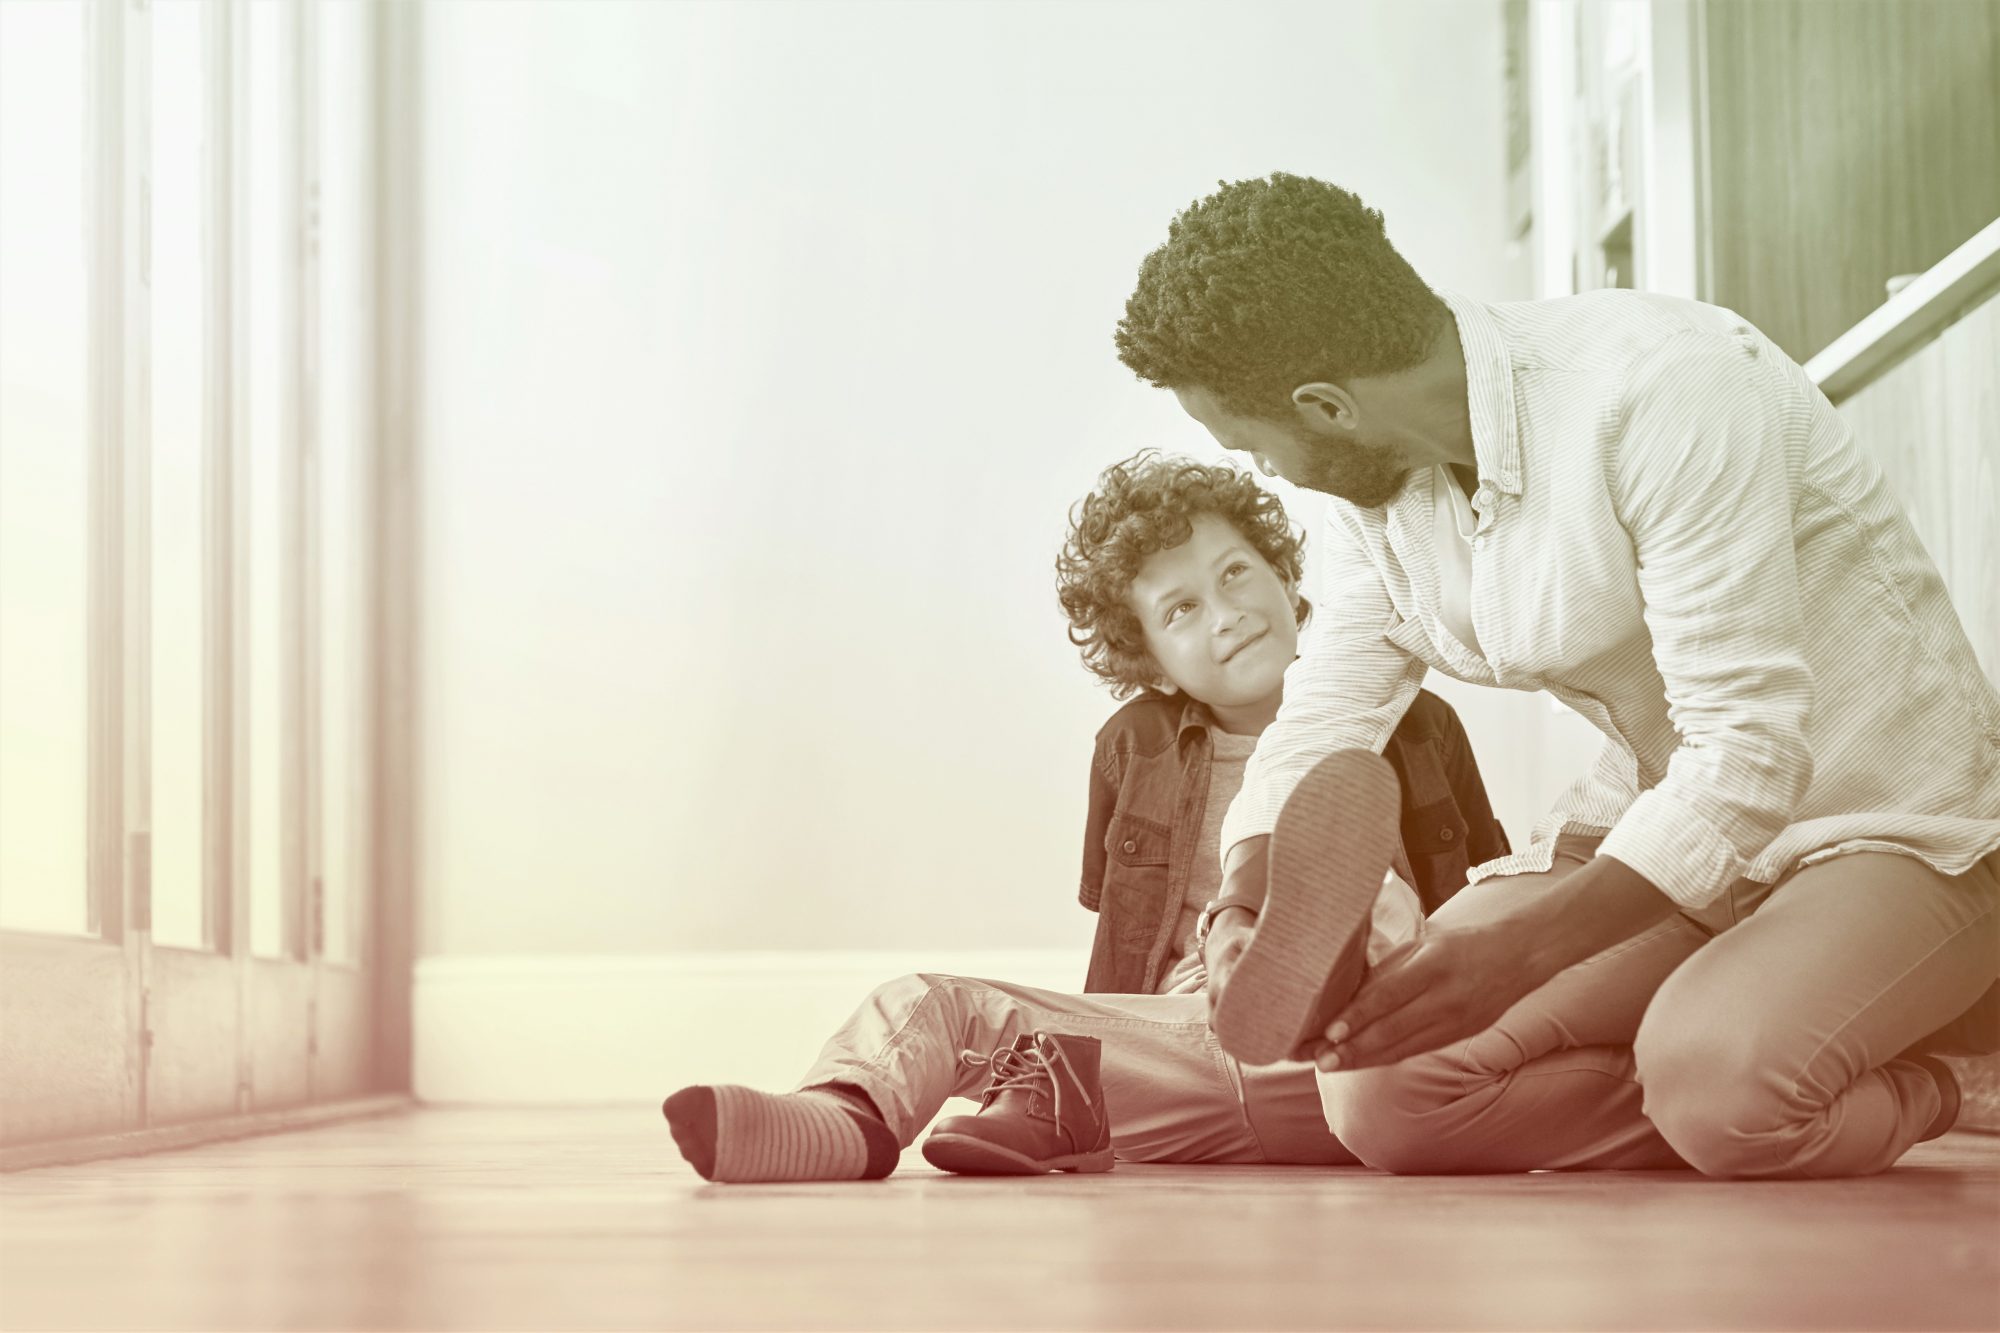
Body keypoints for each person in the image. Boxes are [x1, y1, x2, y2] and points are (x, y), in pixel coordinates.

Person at [1114, 172, 2000, 1179]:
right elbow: (1323, 715)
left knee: (1720, 1091)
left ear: (1326, 406)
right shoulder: (1374, 495)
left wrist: (1521, 954)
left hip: (1881, 828)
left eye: (1254, 445)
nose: (1267, 469)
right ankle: (1739, 1037)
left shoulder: (1664, 389)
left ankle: (1928, 1072)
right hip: (1668, 841)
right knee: (1381, 1091)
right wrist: (1239, 900)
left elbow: (1747, 751)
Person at [660, 451, 1506, 1181]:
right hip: (1188, 1050)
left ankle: (1301, 956)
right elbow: (1123, 936)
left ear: (1287, 577)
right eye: (1181, 609)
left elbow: (1480, 895)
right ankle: (843, 1120)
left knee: (1383, 903)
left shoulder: (1416, 722)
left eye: (1236, 573)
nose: (1226, 612)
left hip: (1360, 1062)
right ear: (1154, 662)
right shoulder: (1133, 747)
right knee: (929, 1000)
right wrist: (1081, 1042)